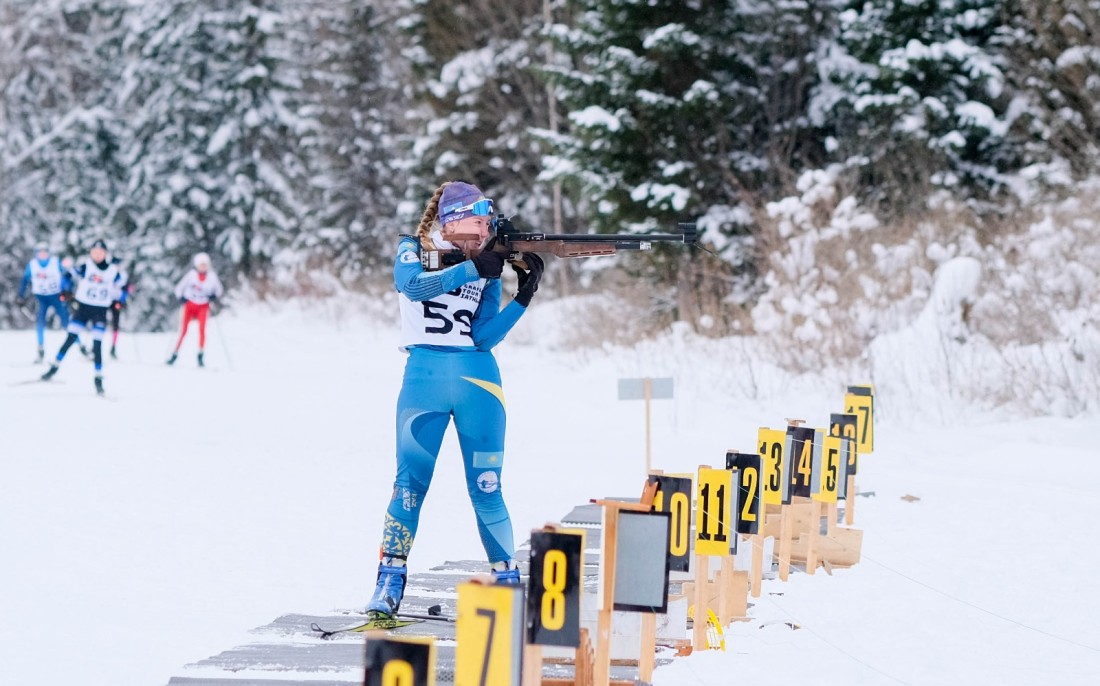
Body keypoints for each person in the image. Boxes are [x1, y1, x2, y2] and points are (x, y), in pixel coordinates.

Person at [365, 180, 545, 620]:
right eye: (480, 221)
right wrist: (473, 268)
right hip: (423, 377)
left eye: (488, 224)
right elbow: (413, 286)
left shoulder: (486, 264)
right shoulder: (413, 248)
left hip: (477, 380)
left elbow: (484, 336)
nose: (485, 230)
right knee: (409, 487)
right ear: (455, 220)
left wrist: (523, 295)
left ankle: (508, 584)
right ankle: (389, 579)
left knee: (487, 487)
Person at [40, 239, 126, 395]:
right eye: (94, 252)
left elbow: (123, 286)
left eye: (100, 252)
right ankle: (54, 368)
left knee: (97, 344)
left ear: (105, 253)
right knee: (70, 338)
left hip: (100, 310)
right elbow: (67, 276)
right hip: (83, 308)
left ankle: (98, 379)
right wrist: (66, 291)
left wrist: (120, 301)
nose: (97, 255)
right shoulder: (86, 267)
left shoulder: (113, 271)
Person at [167, 252, 224, 367]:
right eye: (201, 265)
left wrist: (213, 296)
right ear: (197, 265)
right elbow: (178, 289)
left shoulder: (212, 276)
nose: (203, 267)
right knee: (183, 331)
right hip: (190, 305)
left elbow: (219, 290)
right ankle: (174, 354)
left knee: (202, 330)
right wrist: (182, 298)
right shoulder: (191, 275)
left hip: (203, 306)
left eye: (205, 265)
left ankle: (200, 355)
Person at [17, 243, 71, 363]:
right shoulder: (32, 265)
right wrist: (21, 295)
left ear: (48, 253)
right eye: (40, 252)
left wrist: (66, 290)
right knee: (40, 322)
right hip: (41, 298)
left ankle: (81, 346)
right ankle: (40, 350)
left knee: (66, 322)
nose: (42, 255)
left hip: (56, 296)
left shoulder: (55, 262)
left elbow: (66, 277)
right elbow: (25, 280)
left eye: (45, 252)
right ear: (36, 254)